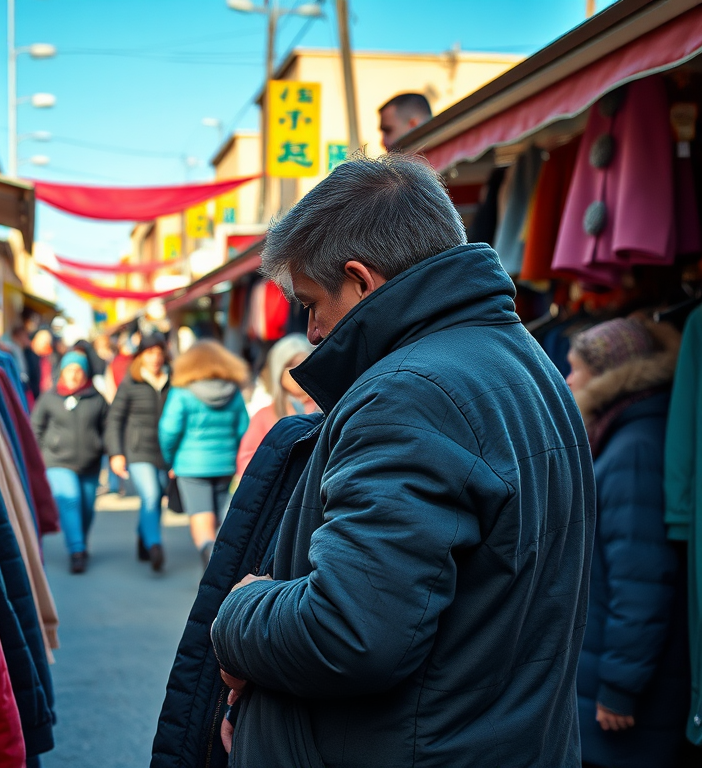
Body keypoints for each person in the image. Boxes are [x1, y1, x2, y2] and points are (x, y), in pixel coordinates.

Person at [207, 155, 594, 766]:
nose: (310, 331)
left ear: (361, 281)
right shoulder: (523, 362)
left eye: (311, 302)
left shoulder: (410, 393)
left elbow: (350, 632)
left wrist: (242, 607)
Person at [566, 318, 692, 768]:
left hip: (621, 699)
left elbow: (642, 583)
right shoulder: (626, 436)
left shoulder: (633, 450)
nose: (568, 381)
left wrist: (619, 687)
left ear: (609, 378)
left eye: (576, 369)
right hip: (611, 678)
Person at [158, 340, 250, 568]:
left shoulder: (182, 392)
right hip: (225, 464)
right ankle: (220, 559)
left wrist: (169, 459)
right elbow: (243, 429)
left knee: (201, 515)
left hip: (191, 466)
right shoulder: (233, 392)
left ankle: (209, 558)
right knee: (219, 516)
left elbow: (169, 430)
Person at [31, 351, 108, 574]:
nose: (74, 375)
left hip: (90, 463)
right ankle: (77, 551)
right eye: (70, 370)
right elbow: (35, 427)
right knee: (69, 500)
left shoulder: (97, 398)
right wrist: (38, 455)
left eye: (78, 370)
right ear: (62, 372)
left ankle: (80, 541)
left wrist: (104, 447)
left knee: (86, 508)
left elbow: (108, 427)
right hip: (57, 461)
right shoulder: (49, 397)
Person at [105, 332, 170, 572]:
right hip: (138, 450)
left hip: (165, 452)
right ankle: (155, 546)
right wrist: (116, 453)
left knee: (158, 494)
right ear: (140, 356)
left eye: (158, 353)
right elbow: (115, 419)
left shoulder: (172, 380)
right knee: (151, 495)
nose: (154, 358)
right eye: (149, 353)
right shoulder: (131, 382)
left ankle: (144, 537)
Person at [236, 333, 316, 477]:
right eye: (291, 364)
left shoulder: (327, 408)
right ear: (279, 371)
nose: (298, 370)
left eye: (304, 362)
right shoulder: (264, 416)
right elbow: (247, 462)